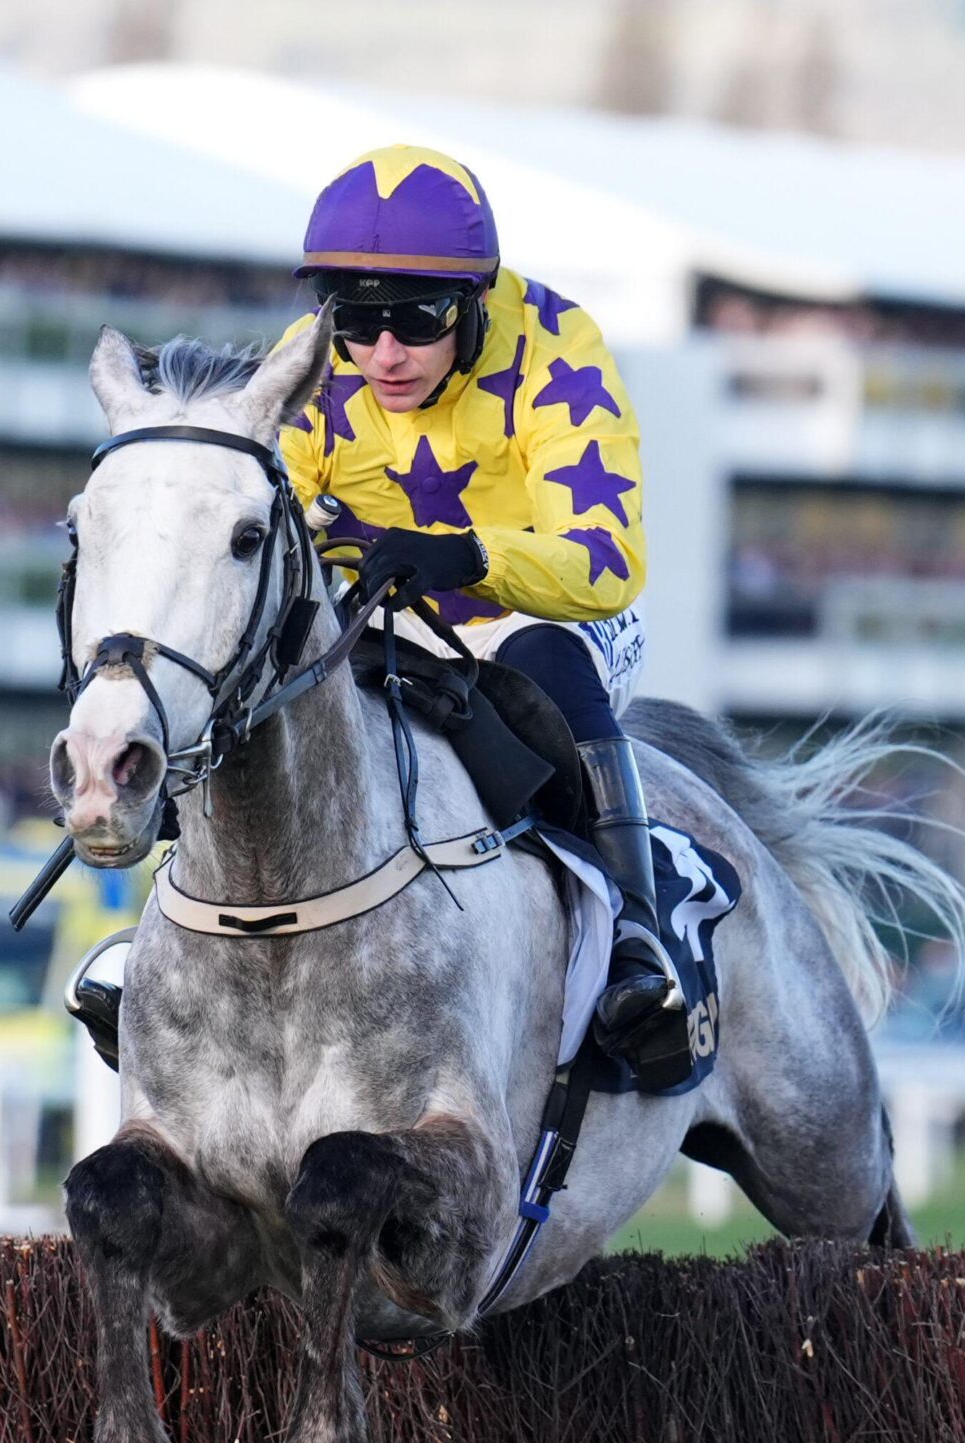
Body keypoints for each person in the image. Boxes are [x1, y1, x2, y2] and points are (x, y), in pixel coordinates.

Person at [276, 144, 688, 1081]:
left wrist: (468, 555)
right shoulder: (312, 364)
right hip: (388, 611)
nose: (384, 354)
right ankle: (176, 922)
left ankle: (635, 935)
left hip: (548, 611)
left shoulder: (558, 347)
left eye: (417, 321)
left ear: (471, 302)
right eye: (360, 320)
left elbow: (606, 558)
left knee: (540, 659)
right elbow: (264, 510)